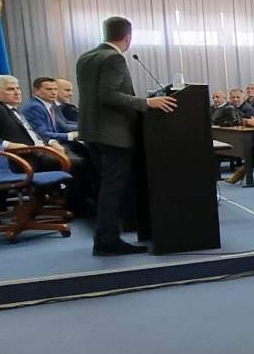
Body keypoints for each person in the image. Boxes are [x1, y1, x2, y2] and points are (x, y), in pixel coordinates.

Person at [74, 16, 177, 255]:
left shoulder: (86, 57)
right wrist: (146, 103)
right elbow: (108, 95)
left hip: (91, 131)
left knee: (105, 187)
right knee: (113, 188)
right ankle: (107, 241)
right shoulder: (113, 58)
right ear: (128, 37)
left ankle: (105, 237)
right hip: (113, 135)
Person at [0, 75, 72, 172]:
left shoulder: (13, 109)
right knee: (76, 163)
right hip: (24, 158)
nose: (17, 92)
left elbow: (33, 134)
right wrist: (8, 145)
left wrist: (51, 142)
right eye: (10, 89)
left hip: (41, 151)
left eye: (18, 88)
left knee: (77, 153)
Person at [21, 77, 75, 142]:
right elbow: (41, 134)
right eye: (49, 89)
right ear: (36, 91)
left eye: (55, 89)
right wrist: (70, 135)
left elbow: (58, 127)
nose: (53, 93)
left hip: (55, 141)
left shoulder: (49, 105)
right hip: (45, 145)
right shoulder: (34, 107)